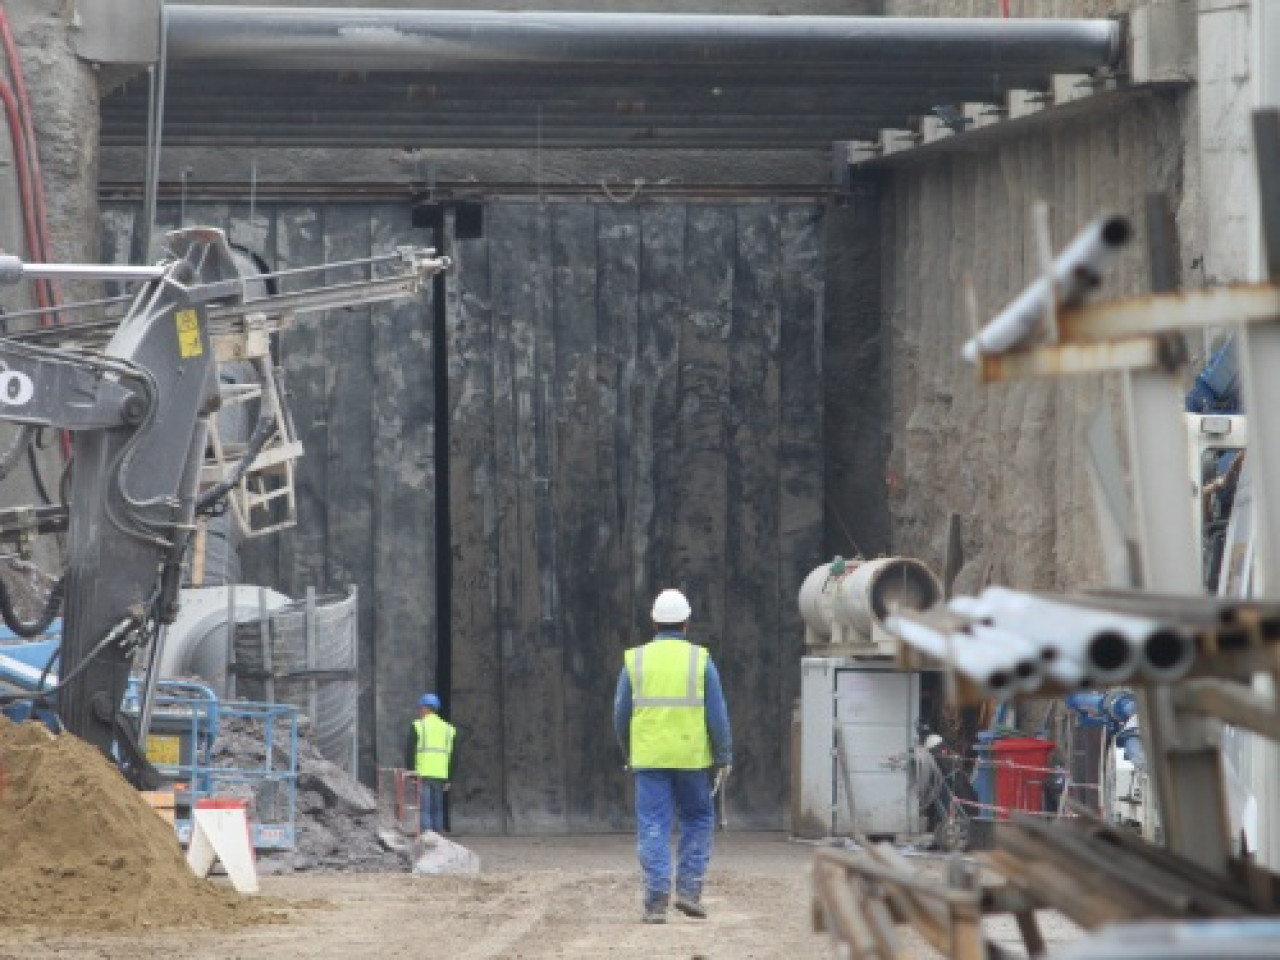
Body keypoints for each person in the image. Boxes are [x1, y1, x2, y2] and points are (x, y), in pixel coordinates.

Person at [614, 588, 733, 924]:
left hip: (649, 759)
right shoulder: (700, 659)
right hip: (692, 758)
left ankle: (655, 903)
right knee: (698, 820)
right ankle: (689, 892)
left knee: (653, 825)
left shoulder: (635, 660)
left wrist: (630, 751)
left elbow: (620, 713)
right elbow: (717, 714)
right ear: (687, 622)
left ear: (654, 621)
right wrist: (723, 755)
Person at [404, 693, 455, 836]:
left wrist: (411, 772)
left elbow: (410, 751)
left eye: (420, 708)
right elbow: (452, 756)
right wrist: (449, 778)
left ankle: (427, 837)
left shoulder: (418, 726)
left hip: (423, 773)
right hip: (440, 774)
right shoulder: (448, 729)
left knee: (424, 807)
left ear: (426, 708)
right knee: (438, 807)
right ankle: (438, 837)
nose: (419, 711)